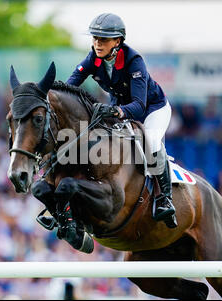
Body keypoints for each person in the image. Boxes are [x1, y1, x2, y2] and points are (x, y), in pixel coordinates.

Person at [66, 13, 177, 228]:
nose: (97, 43)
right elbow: (70, 86)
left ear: (117, 41)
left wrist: (116, 112)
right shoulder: (93, 58)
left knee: (151, 142)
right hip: (119, 108)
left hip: (152, 109)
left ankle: (165, 198)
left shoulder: (134, 61)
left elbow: (138, 106)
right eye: (95, 38)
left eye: (103, 39)